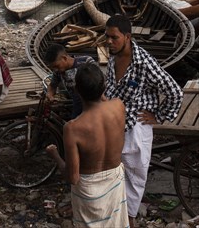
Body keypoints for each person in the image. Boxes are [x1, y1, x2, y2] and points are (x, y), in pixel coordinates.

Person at [104, 14, 183, 227]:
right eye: (107, 37)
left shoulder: (144, 63)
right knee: (116, 172)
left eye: (114, 37)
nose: (109, 42)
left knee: (136, 175)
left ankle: (129, 218)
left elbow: (174, 91)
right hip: (113, 125)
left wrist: (158, 116)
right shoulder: (113, 56)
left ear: (127, 37)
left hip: (135, 128)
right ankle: (116, 212)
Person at [46, 63, 128, 228]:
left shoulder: (73, 128)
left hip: (88, 191)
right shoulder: (118, 106)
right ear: (104, 86)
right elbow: (103, 103)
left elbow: (73, 178)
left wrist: (55, 154)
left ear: (76, 91)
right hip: (115, 181)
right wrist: (100, 91)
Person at [44, 44, 95, 118]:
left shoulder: (86, 62)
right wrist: (49, 94)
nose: (55, 70)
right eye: (53, 68)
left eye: (56, 66)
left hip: (92, 104)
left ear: (64, 58)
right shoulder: (58, 72)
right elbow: (52, 85)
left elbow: (100, 83)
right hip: (76, 104)